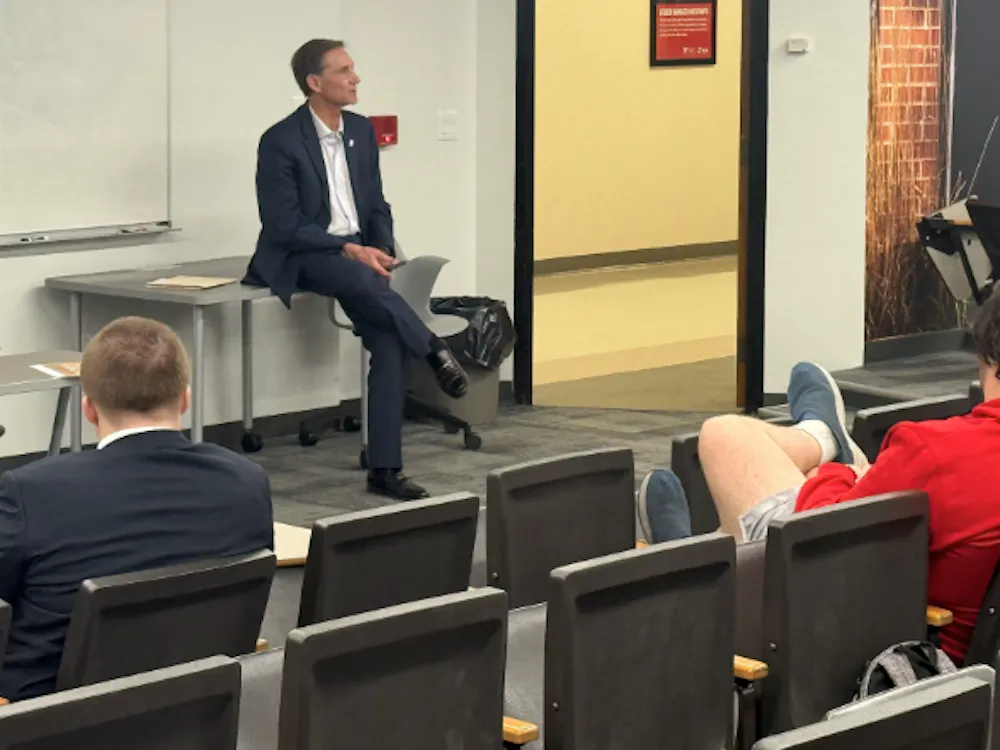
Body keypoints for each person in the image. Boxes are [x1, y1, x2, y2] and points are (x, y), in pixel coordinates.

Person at [637, 291, 1000, 665]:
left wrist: (839, 473)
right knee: (746, 521)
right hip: (971, 674)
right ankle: (690, 564)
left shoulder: (937, 453)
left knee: (723, 437)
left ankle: (819, 439)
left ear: (988, 356)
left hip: (867, 645)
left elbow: (820, 527)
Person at [0, 317, 274, 702]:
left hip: (45, 719)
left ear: (88, 409)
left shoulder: (29, 493)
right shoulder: (247, 482)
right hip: (198, 710)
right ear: (185, 399)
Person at [245, 39, 469, 501]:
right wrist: (349, 249)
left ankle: (385, 469)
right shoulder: (280, 140)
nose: (356, 78)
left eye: (353, 68)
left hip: (357, 256)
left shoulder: (361, 132)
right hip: (306, 253)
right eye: (344, 70)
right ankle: (433, 348)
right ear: (314, 82)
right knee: (359, 276)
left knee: (388, 341)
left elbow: (376, 204)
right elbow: (284, 225)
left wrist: (380, 249)